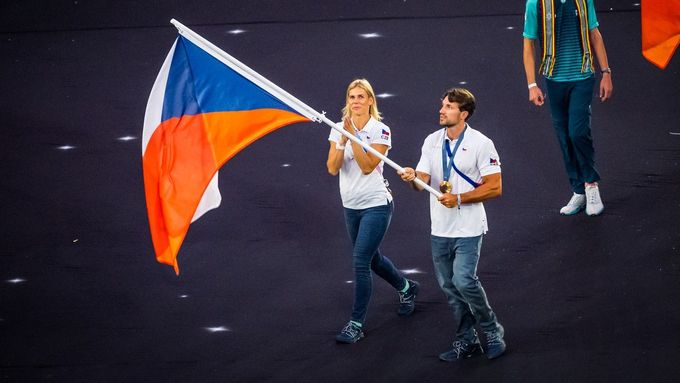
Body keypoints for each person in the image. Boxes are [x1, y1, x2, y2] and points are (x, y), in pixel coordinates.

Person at [399, 88, 506, 361]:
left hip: (469, 228)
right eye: (442, 105)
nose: (441, 110)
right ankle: (466, 339)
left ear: (463, 114)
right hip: (440, 229)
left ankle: (492, 330)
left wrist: (459, 197)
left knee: (464, 281)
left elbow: (494, 187)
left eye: (448, 107)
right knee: (449, 287)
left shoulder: (482, 143)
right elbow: (421, 181)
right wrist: (412, 177)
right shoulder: (432, 141)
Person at [327, 78, 419, 344]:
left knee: (360, 261)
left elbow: (368, 166)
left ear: (370, 101)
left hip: (376, 204)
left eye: (360, 97)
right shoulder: (338, 128)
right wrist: (342, 139)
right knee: (372, 259)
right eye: (351, 97)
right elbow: (333, 167)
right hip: (351, 205)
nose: (355, 101)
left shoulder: (381, 130)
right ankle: (407, 288)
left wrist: (353, 136)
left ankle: (355, 324)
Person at [522, 0, 613, 216]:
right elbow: (528, 44)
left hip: (582, 76)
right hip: (554, 80)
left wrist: (606, 73)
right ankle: (578, 190)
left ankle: (591, 184)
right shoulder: (535, 4)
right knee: (564, 136)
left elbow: (594, 34)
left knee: (578, 132)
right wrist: (532, 85)